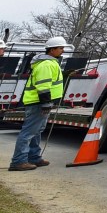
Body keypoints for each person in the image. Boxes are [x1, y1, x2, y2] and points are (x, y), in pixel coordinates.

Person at [9, 36, 66, 171]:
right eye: (60, 48)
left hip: (40, 102)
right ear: (52, 50)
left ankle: (34, 157)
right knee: (29, 132)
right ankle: (18, 161)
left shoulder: (50, 63)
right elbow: (43, 85)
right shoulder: (46, 64)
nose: (62, 50)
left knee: (36, 131)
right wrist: (45, 103)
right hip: (38, 103)